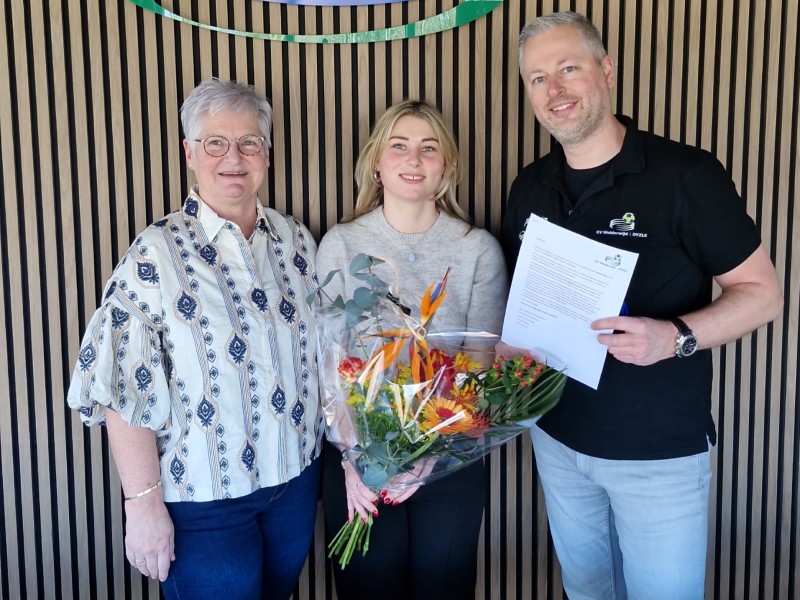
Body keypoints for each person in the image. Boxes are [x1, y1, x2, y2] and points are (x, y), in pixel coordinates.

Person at [501, 12, 783, 600]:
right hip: (557, 440)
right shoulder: (529, 187)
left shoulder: (686, 175)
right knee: (588, 593)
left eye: (568, 68)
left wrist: (671, 336)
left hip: (657, 455)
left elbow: (763, 295)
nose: (554, 90)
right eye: (536, 78)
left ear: (606, 71)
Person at [67, 79, 323, 600]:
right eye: (215, 142)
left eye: (249, 142)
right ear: (189, 152)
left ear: (267, 155)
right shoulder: (154, 254)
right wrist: (141, 504)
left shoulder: (296, 241)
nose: (233, 157)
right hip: (202, 502)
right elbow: (119, 387)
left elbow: (328, 354)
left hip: (295, 484)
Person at [316, 99, 508, 600]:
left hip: (450, 461)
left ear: (446, 164)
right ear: (376, 163)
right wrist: (356, 458)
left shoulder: (477, 250)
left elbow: (478, 367)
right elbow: (328, 363)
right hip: (358, 459)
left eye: (429, 148)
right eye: (398, 146)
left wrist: (432, 458)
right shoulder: (340, 244)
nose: (414, 160)